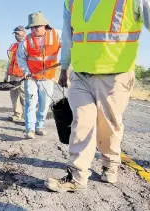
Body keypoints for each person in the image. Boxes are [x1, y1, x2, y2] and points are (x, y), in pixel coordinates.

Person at [45, 0, 150, 192]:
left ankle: (110, 164)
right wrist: (65, 66)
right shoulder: (71, 2)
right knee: (81, 122)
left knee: (108, 125)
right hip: (81, 74)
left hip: (115, 76)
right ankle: (76, 176)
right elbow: (69, 36)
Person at [17, 12, 61, 139]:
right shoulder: (27, 39)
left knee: (44, 103)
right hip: (31, 77)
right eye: (31, 27)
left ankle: (39, 126)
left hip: (48, 77)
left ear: (45, 25)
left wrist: (66, 61)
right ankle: (29, 129)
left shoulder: (56, 34)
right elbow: (21, 57)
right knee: (30, 102)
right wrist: (26, 72)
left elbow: (69, 45)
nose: (33, 29)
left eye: (36, 26)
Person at [4, 26, 26, 122]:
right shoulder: (13, 46)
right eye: (15, 34)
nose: (16, 35)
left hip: (23, 75)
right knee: (14, 95)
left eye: (18, 33)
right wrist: (6, 75)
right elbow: (10, 61)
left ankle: (27, 117)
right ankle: (17, 114)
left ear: (23, 33)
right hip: (13, 74)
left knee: (24, 96)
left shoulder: (28, 44)